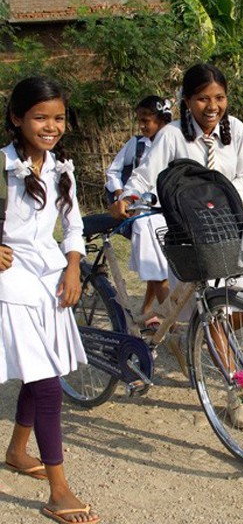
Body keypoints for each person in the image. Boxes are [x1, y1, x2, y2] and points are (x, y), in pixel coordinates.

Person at [110, 63, 243, 428]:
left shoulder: (236, 130)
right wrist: (127, 196)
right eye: (203, 99)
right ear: (187, 100)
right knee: (214, 312)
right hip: (189, 236)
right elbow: (146, 174)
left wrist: (221, 195)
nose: (212, 106)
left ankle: (185, 335)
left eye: (219, 98)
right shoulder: (172, 135)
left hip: (229, 228)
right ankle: (236, 395)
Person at [0, 77, 99, 523]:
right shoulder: (2, 166)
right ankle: (59, 492)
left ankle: (17, 451)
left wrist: (73, 266)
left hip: (50, 284)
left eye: (58, 118)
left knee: (42, 372)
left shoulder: (62, 169)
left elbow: (73, 227)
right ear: (17, 118)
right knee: (45, 383)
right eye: (40, 117)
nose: (51, 126)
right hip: (11, 286)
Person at [105, 95, 172, 326]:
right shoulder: (136, 145)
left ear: (162, 120)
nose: (142, 126)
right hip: (143, 213)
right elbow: (113, 171)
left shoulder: (174, 142)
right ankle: (169, 324)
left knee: (159, 265)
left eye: (146, 120)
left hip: (168, 212)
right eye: (140, 120)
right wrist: (120, 195)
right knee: (157, 267)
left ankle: (147, 309)